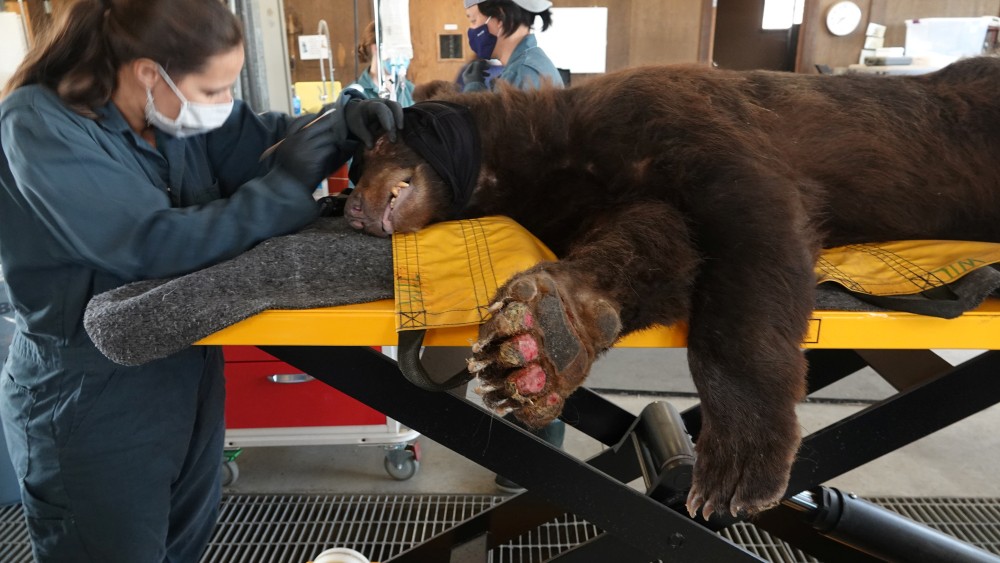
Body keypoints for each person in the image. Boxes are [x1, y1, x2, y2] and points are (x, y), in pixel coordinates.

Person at [0, 0, 401, 561]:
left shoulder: (165, 112)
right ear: (148, 74)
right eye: (213, 91)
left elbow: (255, 143)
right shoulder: (40, 124)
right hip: (91, 389)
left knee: (183, 543)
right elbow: (153, 244)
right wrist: (288, 184)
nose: (223, 105)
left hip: (186, 359)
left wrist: (337, 126)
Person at [462, 0, 564, 92]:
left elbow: (493, 113)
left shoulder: (522, 74)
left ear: (500, 18)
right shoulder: (527, 64)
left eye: (473, 20)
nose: (470, 29)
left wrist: (474, 90)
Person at [349, 21, 415, 107]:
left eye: (404, 50)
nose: (402, 57)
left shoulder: (409, 90)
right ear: (376, 48)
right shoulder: (354, 94)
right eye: (397, 49)